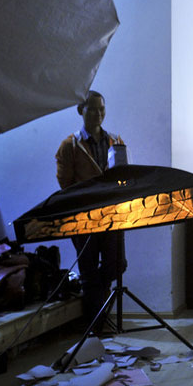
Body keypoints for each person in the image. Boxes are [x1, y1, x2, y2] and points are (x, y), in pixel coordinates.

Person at [55, 90, 127, 333]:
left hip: (113, 216)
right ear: (81, 110)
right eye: (92, 108)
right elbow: (66, 185)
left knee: (116, 265)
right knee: (88, 270)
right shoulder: (70, 145)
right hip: (83, 219)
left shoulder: (115, 141)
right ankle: (95, 326)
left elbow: (124, 176)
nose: (98, 114)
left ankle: (100, 317)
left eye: (101, 109)